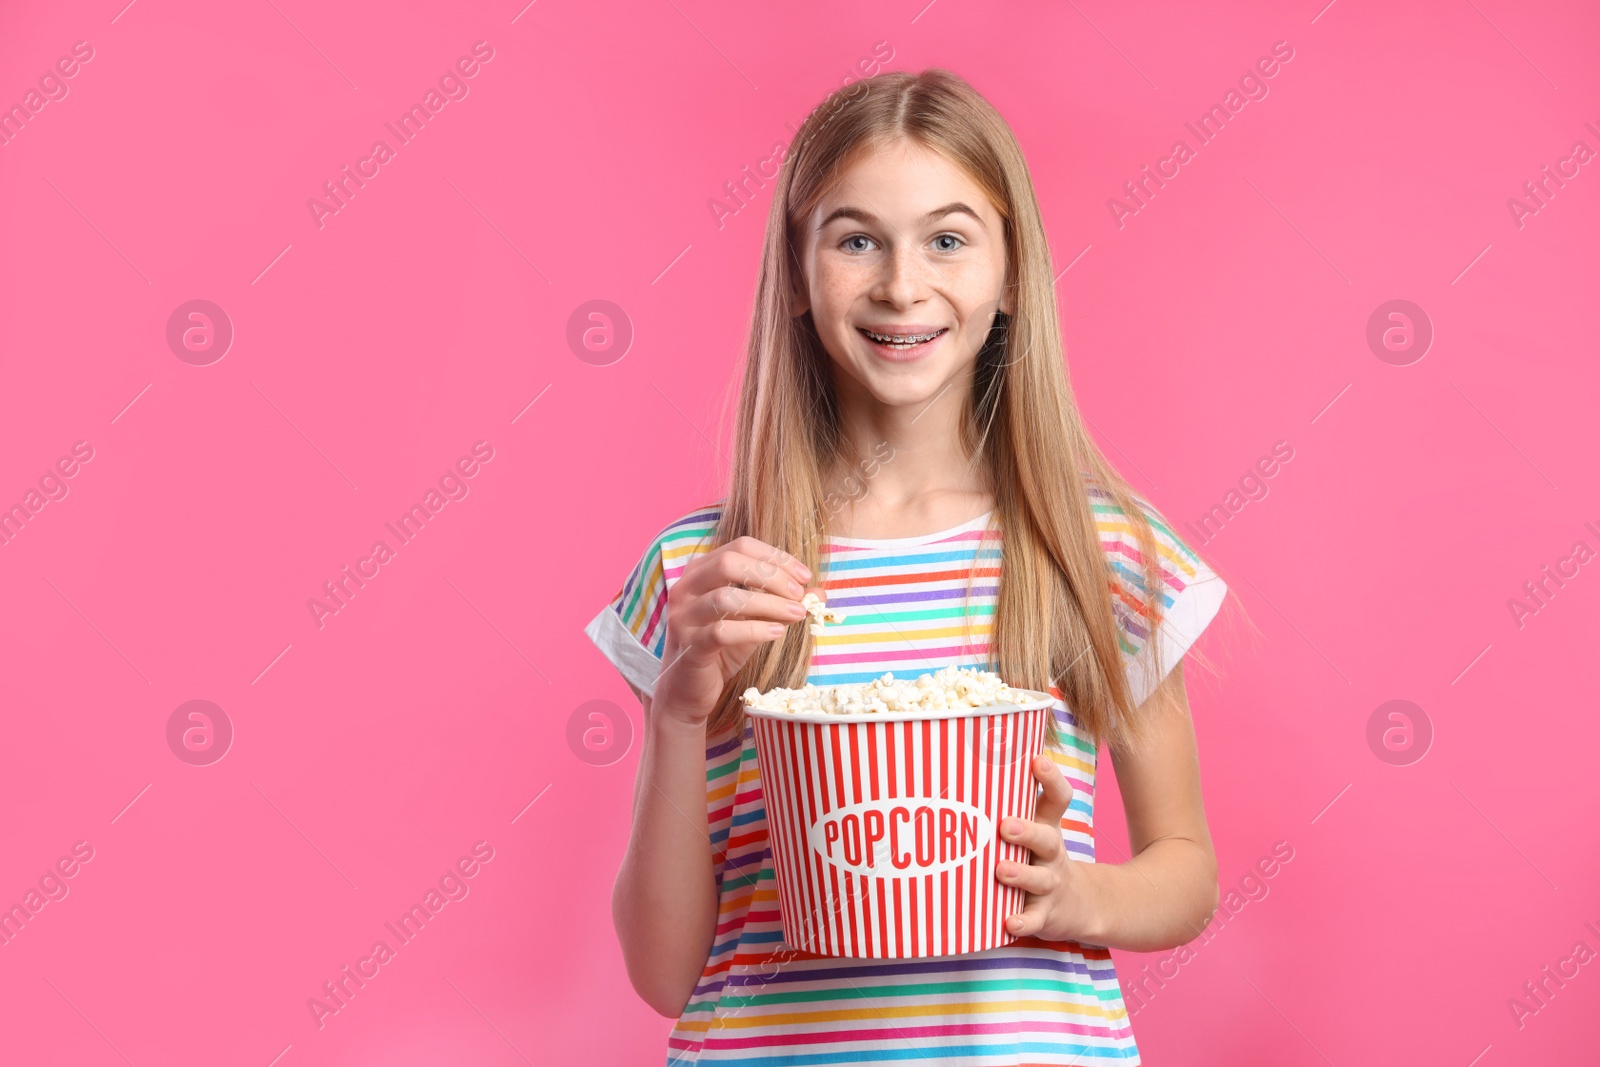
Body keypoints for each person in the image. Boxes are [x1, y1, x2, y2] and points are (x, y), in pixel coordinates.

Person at [584, 67, 1235, 1066]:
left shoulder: (1098, 553)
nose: (900, 282)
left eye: (946, 237)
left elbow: (1185, 870)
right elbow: (666, 972)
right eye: (855, 239)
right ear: (798, 277)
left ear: (1010, 271)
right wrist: (678, 707)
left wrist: (1075, 892)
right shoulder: (704, 573)